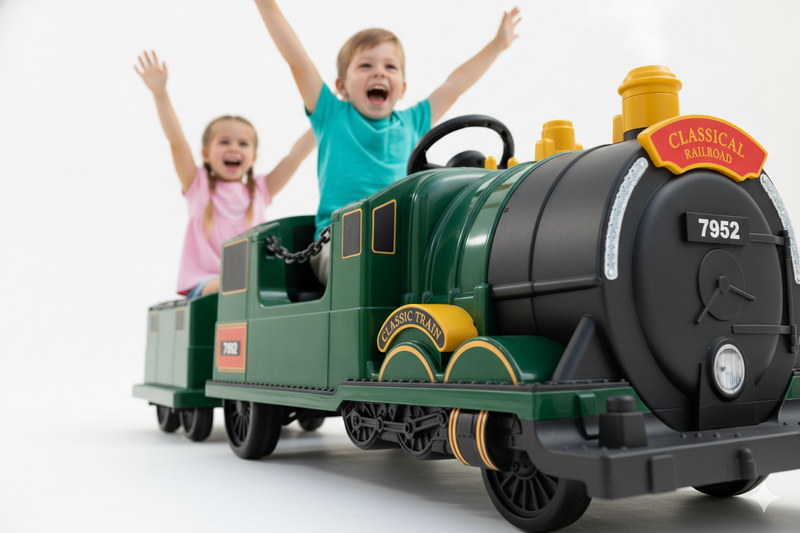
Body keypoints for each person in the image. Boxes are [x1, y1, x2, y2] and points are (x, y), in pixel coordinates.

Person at [252, 1, 520, 285]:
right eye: (365, 65)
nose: (379, 72)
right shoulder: (331, 115)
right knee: (369, 269)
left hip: (397, 241)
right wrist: (266, 5)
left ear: (402, 87)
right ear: (341, 86)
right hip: (337, 244)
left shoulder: (413, 121)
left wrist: (497, 44)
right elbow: (297, 59)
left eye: (390, 67)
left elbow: (455, 84)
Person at [135, 51, 315, 298]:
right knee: (231, 285)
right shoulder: (197, 184)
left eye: (243, 144)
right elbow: (176, 141)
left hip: (252, 283)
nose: (233, 148)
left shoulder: (261, 190)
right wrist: (160, 93)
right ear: (206, 154)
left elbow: (295, 156)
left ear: (253, 158)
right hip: (207, 282)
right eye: (224, 142)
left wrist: (327, 116)